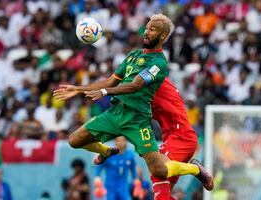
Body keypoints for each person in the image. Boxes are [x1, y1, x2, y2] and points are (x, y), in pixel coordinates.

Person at [53, 13, 213, 192]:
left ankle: (195, 169)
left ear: (162, 36)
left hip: (137, 120)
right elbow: (109, 81)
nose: (146, 32)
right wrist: (77, 89)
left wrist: (105, 92)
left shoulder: (159, 63)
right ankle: (106, 151)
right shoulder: (133, 55)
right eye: (146, 28)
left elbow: (135, 85)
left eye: (152, 29)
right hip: (115, 114)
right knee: (74, 140)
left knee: (159, 171)